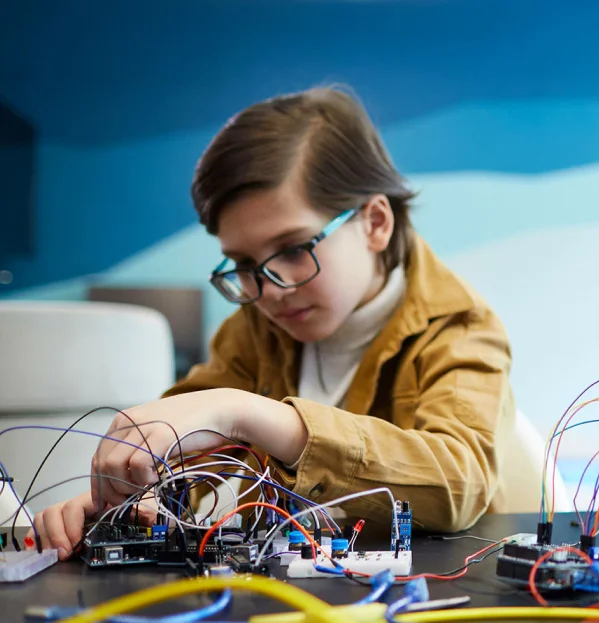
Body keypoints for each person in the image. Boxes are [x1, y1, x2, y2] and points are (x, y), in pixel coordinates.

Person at [30, 86, 516, 559]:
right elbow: (188, 458)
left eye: (294, 248)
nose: (272, 290)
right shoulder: (255, 328)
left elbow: (460, 482)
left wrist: (247, 413)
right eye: (244, 263)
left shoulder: (461, 327)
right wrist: (130, 502)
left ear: (375, 223)